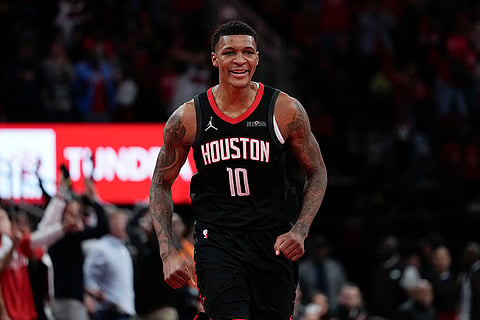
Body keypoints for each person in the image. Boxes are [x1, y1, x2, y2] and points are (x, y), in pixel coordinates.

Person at [149, 20, 328, 320]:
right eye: (230, 52)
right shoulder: (188, 117)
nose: (240, 60)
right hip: (217, 239)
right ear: (215, 58)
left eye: (248, 52)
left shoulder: (285, 110)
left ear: (258, 57)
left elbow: (317, 172)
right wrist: (168, 252)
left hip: (273, 239)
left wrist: (300, 230)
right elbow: (160, 183)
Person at [84, 207, 136, 320]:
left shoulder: (123, 249)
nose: (126, 227)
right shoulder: (101, 247)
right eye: (122, 223)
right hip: (108, 312)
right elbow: (88, 276)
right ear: (111, 224)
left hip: (125, 310)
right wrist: (94, 293)